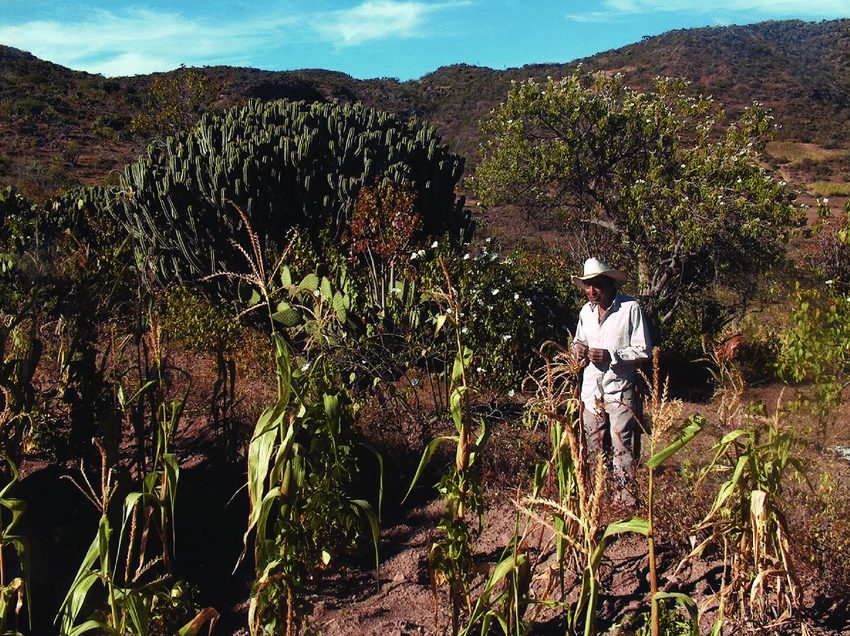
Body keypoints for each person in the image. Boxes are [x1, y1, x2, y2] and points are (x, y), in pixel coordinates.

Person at [571, 257, 652, 507]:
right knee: (594, 443)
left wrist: (612, 356)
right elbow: (579, 340)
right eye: (587, 286)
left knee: (622, 445)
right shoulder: (586, 311)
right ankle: (599, 496)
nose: (592, 291)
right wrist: (578, 350)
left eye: (596, 285)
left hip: (619, 387)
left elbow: (643, 349)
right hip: (591, 389)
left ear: (609, 284)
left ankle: (624, 501)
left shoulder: (630, 309)